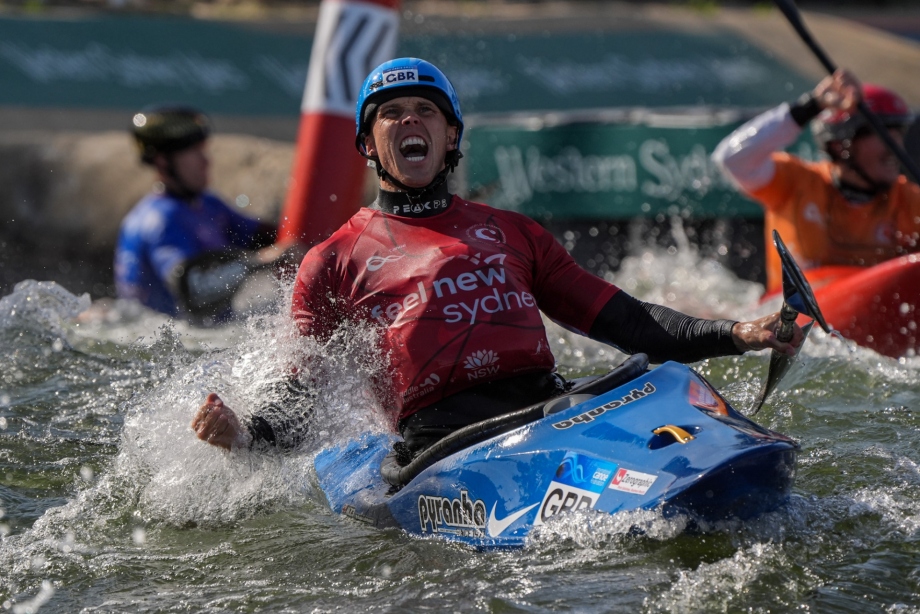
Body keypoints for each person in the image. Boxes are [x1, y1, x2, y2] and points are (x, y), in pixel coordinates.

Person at [191, 58, 803, 456]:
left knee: (669, 386)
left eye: (426, 111)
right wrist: (246, 434)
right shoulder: (333, 261)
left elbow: (627, 321)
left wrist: (740, 333)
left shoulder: (512, 231)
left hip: (547, 410)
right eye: (391, 114)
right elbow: (306, 389)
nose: (409, 120)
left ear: (450, 137)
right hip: (442, 445)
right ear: (368, 145)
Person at [712, 69, 920, 295]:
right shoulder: (796, 183)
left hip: (872, 307)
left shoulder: (909, 200)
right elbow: (732, 159)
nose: (896, 147)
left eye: (898, 134)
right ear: (841, 145)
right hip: (795, 310)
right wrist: (812, 106)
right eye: (883, 135)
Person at [114, 105, 303, 324]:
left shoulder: (208, 204)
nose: (206, 161)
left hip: (205, 332)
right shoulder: (160, 220)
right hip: (167, 337)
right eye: (194, 153)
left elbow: (264, 236)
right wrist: (262, 260)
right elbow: (193, 288)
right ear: (163, 162)